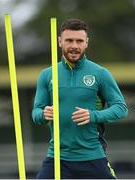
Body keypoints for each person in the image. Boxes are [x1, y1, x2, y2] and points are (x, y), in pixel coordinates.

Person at [32, 18, 128, 179]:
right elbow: (36, 112)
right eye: (69, 40)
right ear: (60, 41)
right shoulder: (47, 74)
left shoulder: (100, 73)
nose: (74, 46)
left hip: (92, 155)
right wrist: (43, 114)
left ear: (86, 43)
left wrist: (93, 115)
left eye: (79, 41)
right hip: (57, 157)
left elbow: (121, 108)